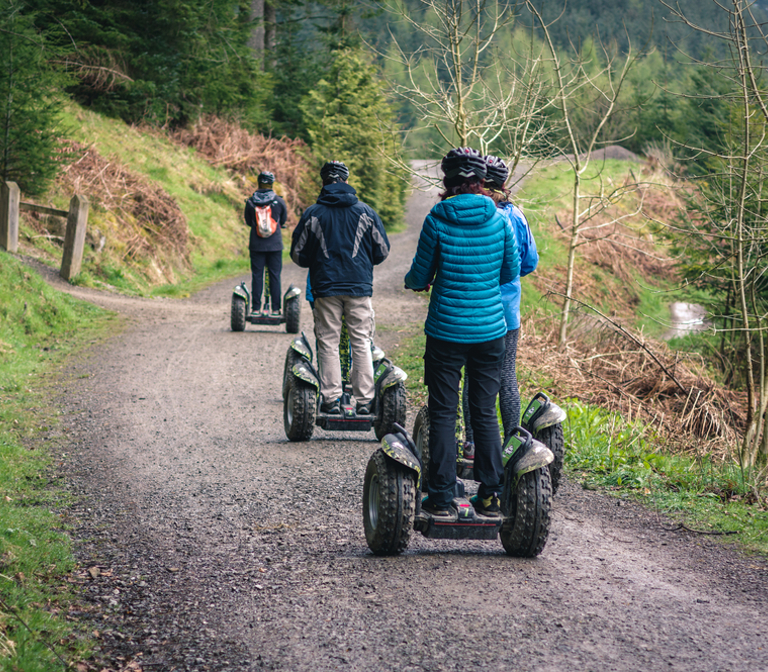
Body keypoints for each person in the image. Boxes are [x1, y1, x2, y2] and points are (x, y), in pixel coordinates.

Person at [405, 147, 520, 518]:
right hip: (490, 332)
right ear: (482, 182)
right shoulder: (500, 220)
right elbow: (509, 272)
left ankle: (440, 498)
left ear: (448, 181)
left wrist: (417, 282)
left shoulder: (437, 219)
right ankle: (490, 495)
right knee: (484, 411)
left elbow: (420, 275)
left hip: (446, 331)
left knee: (443, 412)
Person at [290, 160, 390, 415]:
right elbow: (382, 251)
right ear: (346, 180)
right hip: (359, 286)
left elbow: (298, 254)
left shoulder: (313, 213)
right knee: (361, 341)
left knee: (328, 342)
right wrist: (363, 263)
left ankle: (332, 400)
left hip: (325, 286)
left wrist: (316, 260)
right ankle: (365, 401)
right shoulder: (366, 212)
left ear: (323, 182)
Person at [462, 155, 539, 447]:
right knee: (507, 374)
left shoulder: (475, 213)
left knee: (473, 376)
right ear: (505, 183)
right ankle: (511, 444)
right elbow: (529, 262)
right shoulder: (516, 215)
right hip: (507, 311)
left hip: (476, 308)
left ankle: (471, 444)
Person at [244, 171, 288, 316]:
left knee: (257, 275)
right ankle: (275, 309)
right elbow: (283, 220)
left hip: (256, 244)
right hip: (275, 245)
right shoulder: (279, 201)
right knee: (275, 275)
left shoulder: (250, 202)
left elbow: (248, 221)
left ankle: (256, 308)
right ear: (272, 183)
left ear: (258, 182)